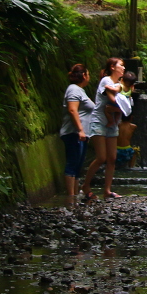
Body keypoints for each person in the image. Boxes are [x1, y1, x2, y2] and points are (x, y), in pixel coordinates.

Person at [80, 57, 125, 201]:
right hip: (99, 122)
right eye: (121, 66)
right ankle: (85, 186)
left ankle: (107, 190)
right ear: (112, 67)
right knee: (101, 157)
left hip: (111, 124)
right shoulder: (106, 81)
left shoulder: (118, 84)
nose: (123, 68)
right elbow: (114, 100)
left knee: (112, 158)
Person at [60, 64, 95, 199]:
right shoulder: (73, 89)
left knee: (77, 167)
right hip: (73, 133)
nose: (89, 77)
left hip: (82, 134)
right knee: (72, 164)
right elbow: (72, 109)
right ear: (84, 76)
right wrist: (80, 130)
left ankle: (74, 196)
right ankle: (70, 197)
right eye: (88, 74)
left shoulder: (80, 90)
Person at [114, 72, 139, 169]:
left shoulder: (118, 125)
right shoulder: (133, 126)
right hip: (127, 150)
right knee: (134, 152)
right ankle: (131, 166)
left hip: (117, 150)